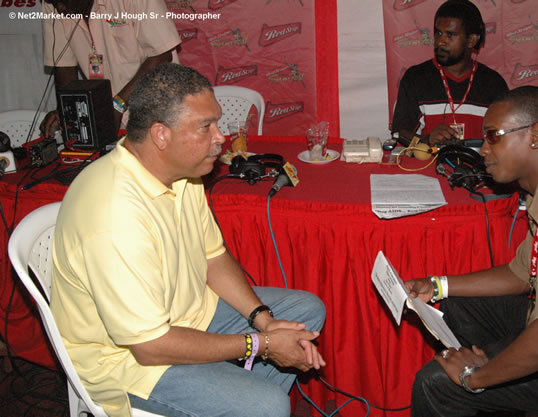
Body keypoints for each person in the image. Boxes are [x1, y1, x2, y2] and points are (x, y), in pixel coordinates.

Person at [50, 63, 326, 417]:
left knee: (305, 311)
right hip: (127, 361)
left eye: (217, 122)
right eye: (205, 127)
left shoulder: (183, 174)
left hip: (188, 316)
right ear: (161, 135)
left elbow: (213, 257)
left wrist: (263, 321)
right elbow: (149, 345)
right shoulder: (113, 215)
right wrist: (261, 344)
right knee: (269, 406)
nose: (220, 137)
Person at [406, 86, 538, 417]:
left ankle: (490, 380)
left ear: (537, 135)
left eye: (493, 136)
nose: (482, 150)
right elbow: (522, 272)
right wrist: (436, 285)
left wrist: (475, 377)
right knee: (458, 305)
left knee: (435, 383)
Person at [40, 0, 181, 137]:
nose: (59, 9)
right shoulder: (55, 7)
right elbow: (64, 68)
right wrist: (67, 111)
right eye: (53, 2)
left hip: (159, 114)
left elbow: (161, 57)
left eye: (62, 1)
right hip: (109, 119)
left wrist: (117, 105)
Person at [391, 0, 508, 146]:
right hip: (428, 167)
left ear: (471, 40)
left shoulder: (494, 84)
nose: (440, 41)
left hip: (478, 168)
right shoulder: (415, 78)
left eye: (450, 35)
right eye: (438, 33)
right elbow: (400, 133)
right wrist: (427, 140)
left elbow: (504, 138)